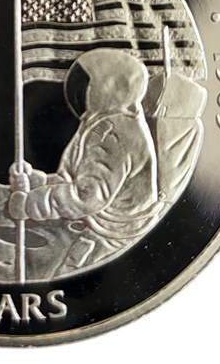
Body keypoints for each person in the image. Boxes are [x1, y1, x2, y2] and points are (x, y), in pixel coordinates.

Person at [9, 49, 163, 273]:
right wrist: (38, 182)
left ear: (112, 88)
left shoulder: (112, 134)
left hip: (112, 235)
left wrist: (33, 204)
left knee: (60, 272)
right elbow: (74, 178)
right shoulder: (101, 121)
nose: (80, 91)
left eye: (87, 84)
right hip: (94, 223)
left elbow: (88, 196)